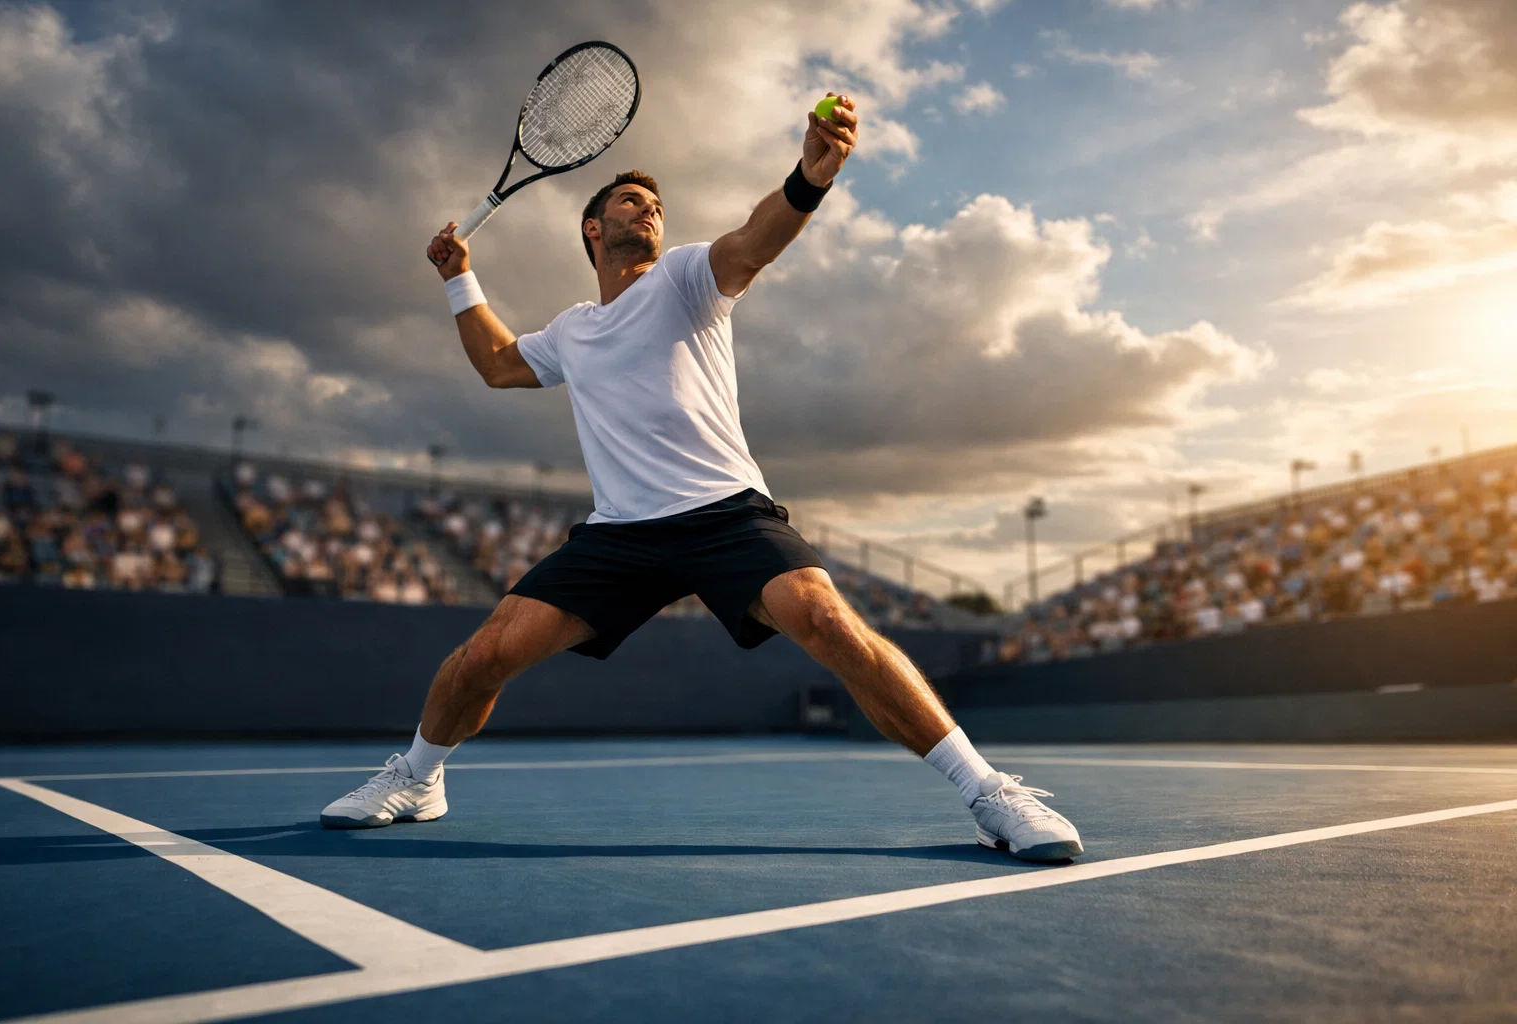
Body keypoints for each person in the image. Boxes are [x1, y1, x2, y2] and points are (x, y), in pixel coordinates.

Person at [320, 93, 1081, 862]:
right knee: (485, 657)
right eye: (630, 201)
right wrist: (459, 277)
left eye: (655, 205)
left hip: (726, 514)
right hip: (620, 534)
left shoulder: (685, 277)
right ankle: (418, 778)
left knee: (828, 623)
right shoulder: (574, 330)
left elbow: (754, 240)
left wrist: (809, 180)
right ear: (593, 228)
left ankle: (988, 792)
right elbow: (496, 363)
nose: (649, 210)